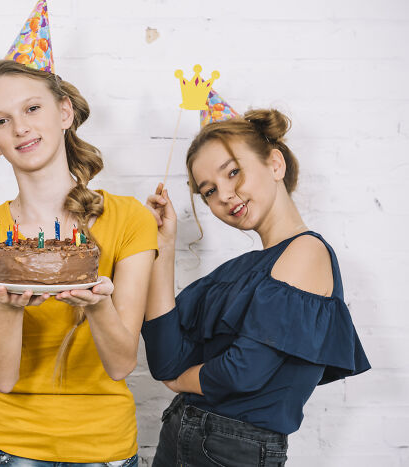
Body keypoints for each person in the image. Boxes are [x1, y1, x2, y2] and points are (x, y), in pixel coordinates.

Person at [0, 59, 158, 466]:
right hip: (8, 448)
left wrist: (97, 304)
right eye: (0, 121)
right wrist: (9, 310)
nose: (20, 128)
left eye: (32, 109)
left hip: (106, 447)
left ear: (64, 112)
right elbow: (2, 379)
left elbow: (121, 364)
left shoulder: (130, 219)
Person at [142, 108, 370, 466]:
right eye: (209, 191)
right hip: (180, 432)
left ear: (275, 164)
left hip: (231, 449)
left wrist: (180, 381)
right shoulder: (236, 272)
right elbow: (164, 359)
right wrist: (164, 245)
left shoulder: (306, 252)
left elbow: (242, 371)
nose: (225, 195)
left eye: (233, 172)